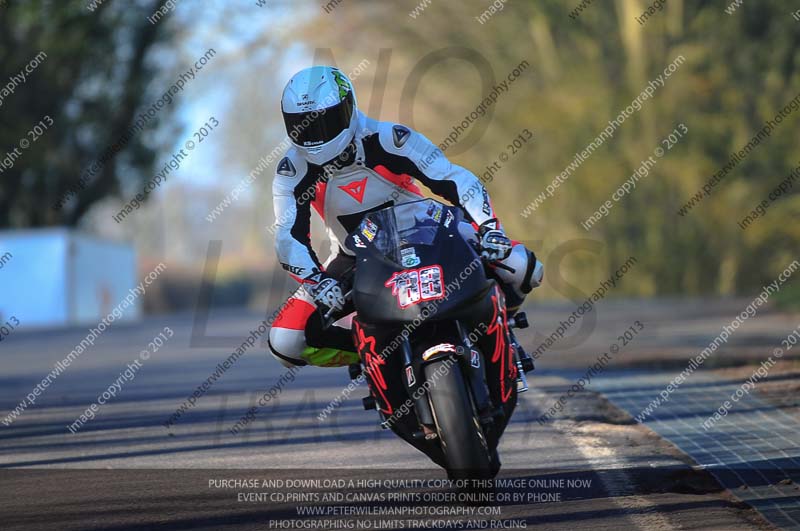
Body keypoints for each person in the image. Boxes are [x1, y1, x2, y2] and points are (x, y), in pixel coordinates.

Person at [268, 66, 542, 368]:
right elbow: (287, 235)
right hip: (355, 259)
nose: (314, 136)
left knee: (522, 266)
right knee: (286, 341)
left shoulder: (389, 138)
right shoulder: (290, 172)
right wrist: (317, 281)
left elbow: (454, 179)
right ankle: (379, 355)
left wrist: (489, 228)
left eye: (325, 123)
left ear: (348, 109)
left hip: (431, 235)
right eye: (303, 127)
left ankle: (500, 326)